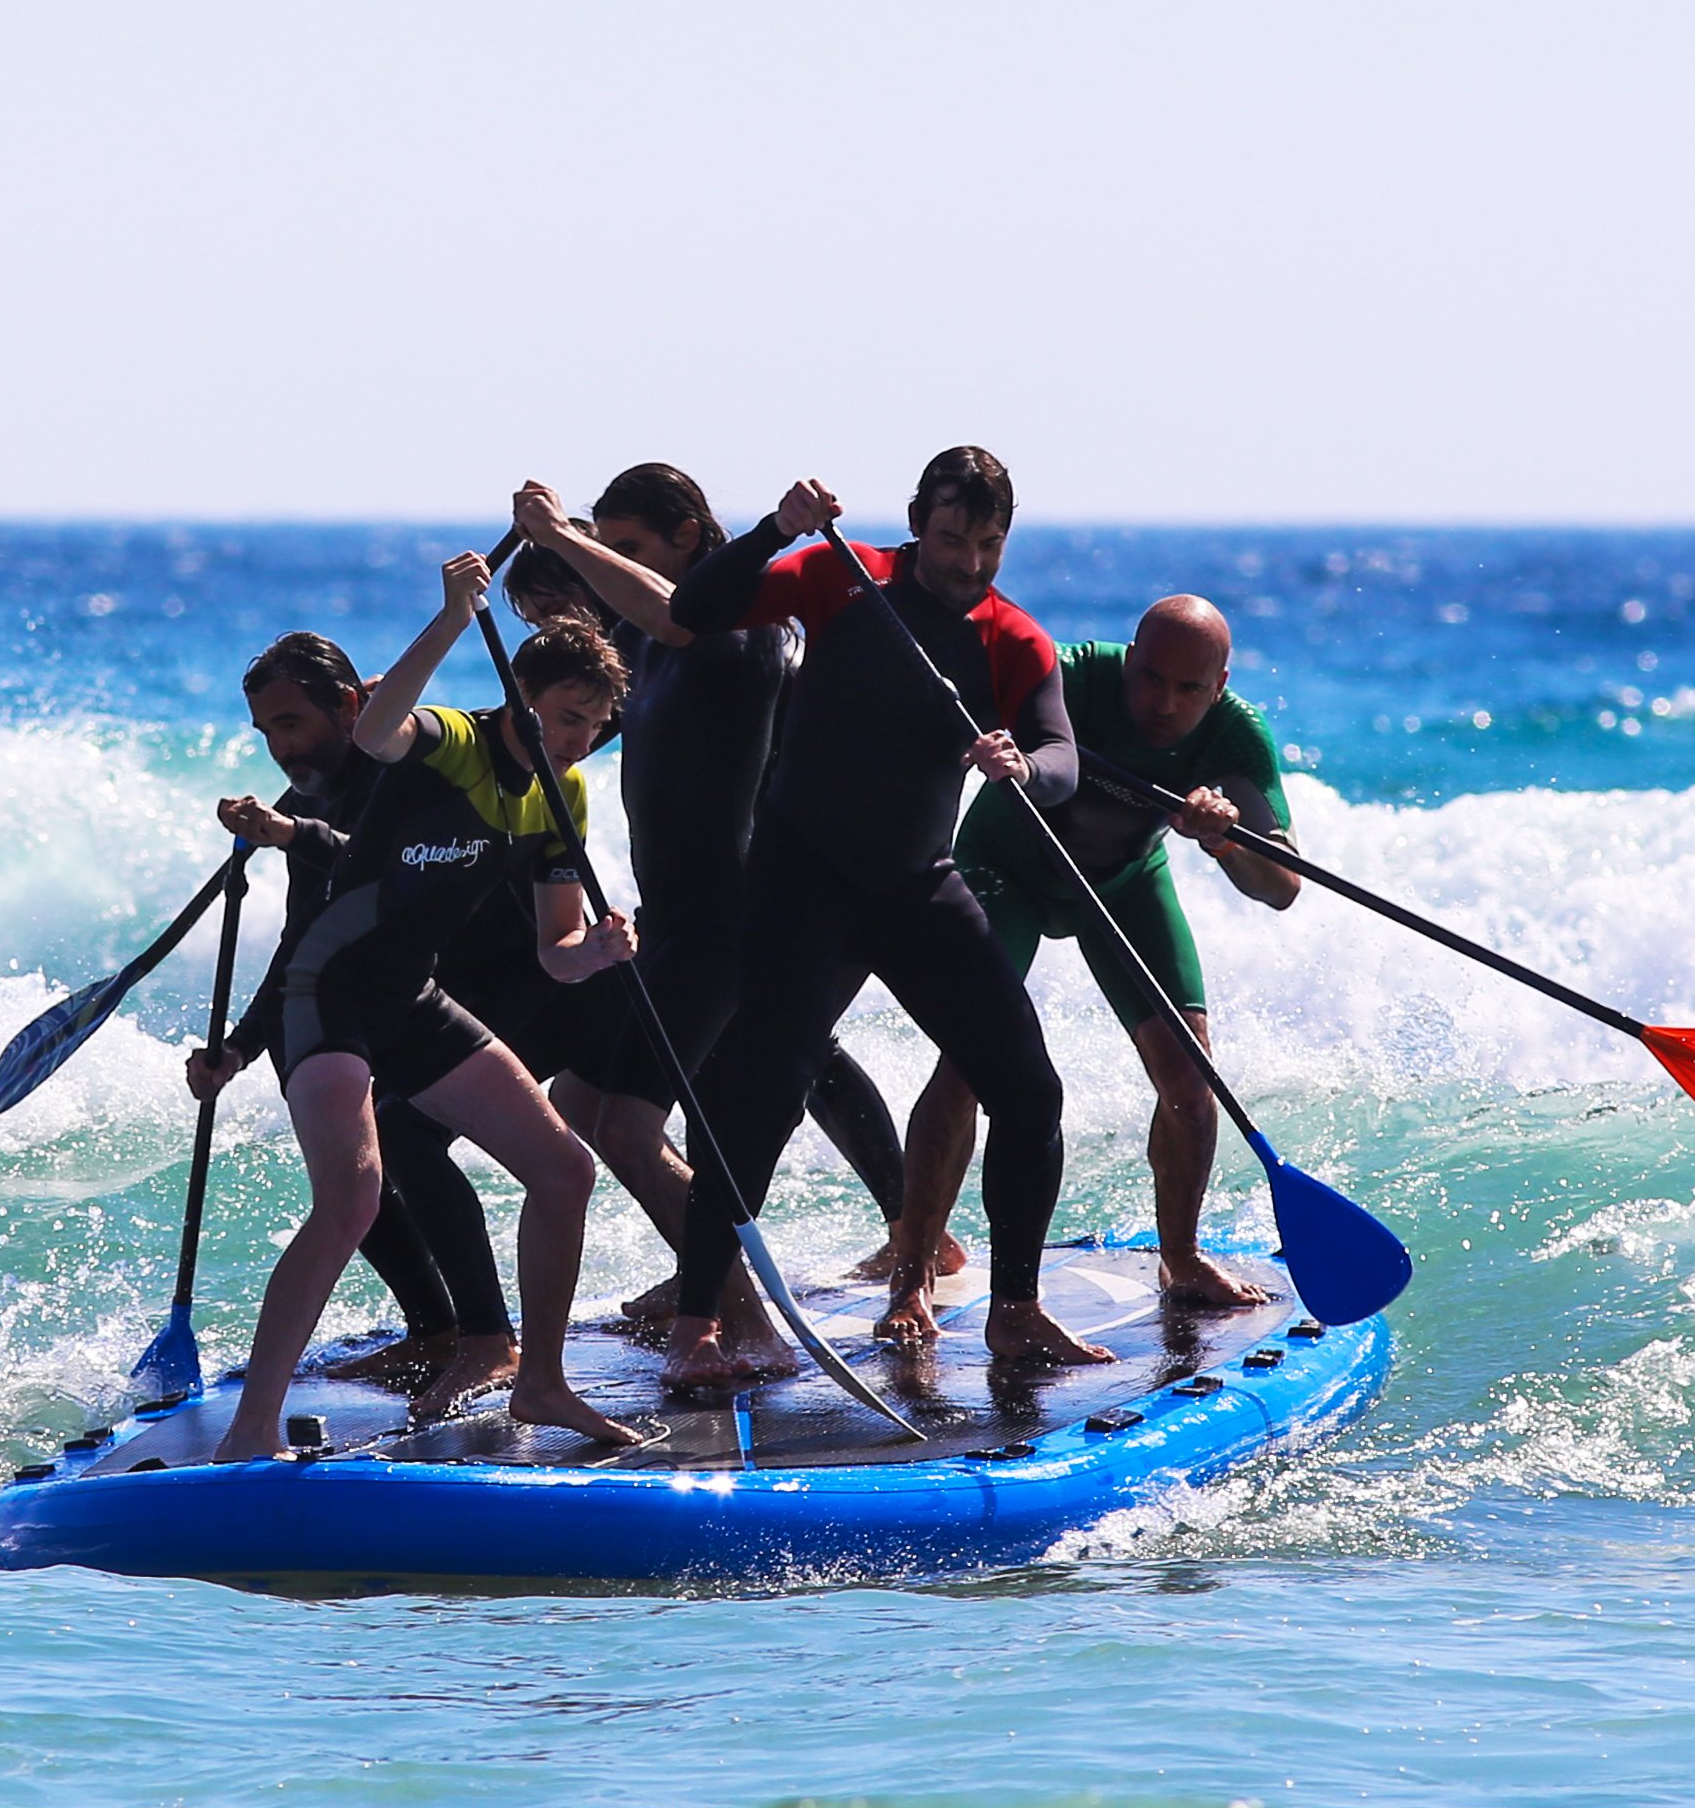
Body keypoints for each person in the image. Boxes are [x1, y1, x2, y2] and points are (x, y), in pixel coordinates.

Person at [654, 448, 1111, 1376]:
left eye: (989, 544)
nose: (970, 563)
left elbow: (1063, 753)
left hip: (915, 887)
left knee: (1029, 1091)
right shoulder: (840, 574)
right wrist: (774, 529)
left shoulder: (1009, 637)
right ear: (915, 522)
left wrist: (1025, 768)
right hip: (802, 880)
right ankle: (696, 1322)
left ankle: (1013, 1309)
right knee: (761, 1093)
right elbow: (692, 611)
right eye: (952, 539)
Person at [210, 553, 649, 1461]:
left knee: (564, 1171)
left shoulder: (562, 795)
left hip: (412, 1001)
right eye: (566, 717)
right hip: (326, 993)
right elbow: (373, 729)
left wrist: (600, 949)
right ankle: (250, 1431)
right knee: (352, 1200)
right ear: (520, 694)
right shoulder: (449, 739)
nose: (577, 739)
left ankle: (542, 1382)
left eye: (594, 725)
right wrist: (453, 613)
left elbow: (555, 956)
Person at [505, 466, 921, 1318]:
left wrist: (560, 538)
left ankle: (738, 1305)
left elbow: (672, 611)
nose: (599, 574)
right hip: (676, 920)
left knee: (659, 1113)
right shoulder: (650, 652)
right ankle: (719, 1273)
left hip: (729, 918)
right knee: (586, 1101)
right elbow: (571, 729)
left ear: (687, 538)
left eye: (624, 551)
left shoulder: (736, 627)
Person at [900, 594, 1303, 1317]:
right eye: (1149, 678)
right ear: (1129, 660)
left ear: (1220, 684)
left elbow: (1280, 887)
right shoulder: (1076, 677)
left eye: (1189, 689)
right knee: (966, 1069)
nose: (1163, 703)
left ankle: (1179, 1258)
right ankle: (913, 1275)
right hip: (1006, 868)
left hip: (1119, 883)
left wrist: (1223, 837)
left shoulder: (1236, 736)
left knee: (1190, 1079)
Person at [185, 627, 520, 1394]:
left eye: (292, 723)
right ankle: (436, 1331)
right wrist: (238, 1048)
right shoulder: (307, 794)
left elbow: (387, 867)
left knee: (402, 1131)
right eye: (267, 731)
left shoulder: (402, 765)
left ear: (347, 705)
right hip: (402, 989)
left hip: (508, 974)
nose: (280, 748)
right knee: (348, 1154)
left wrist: (294, 836)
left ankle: (490, 1339)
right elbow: (309, 944)